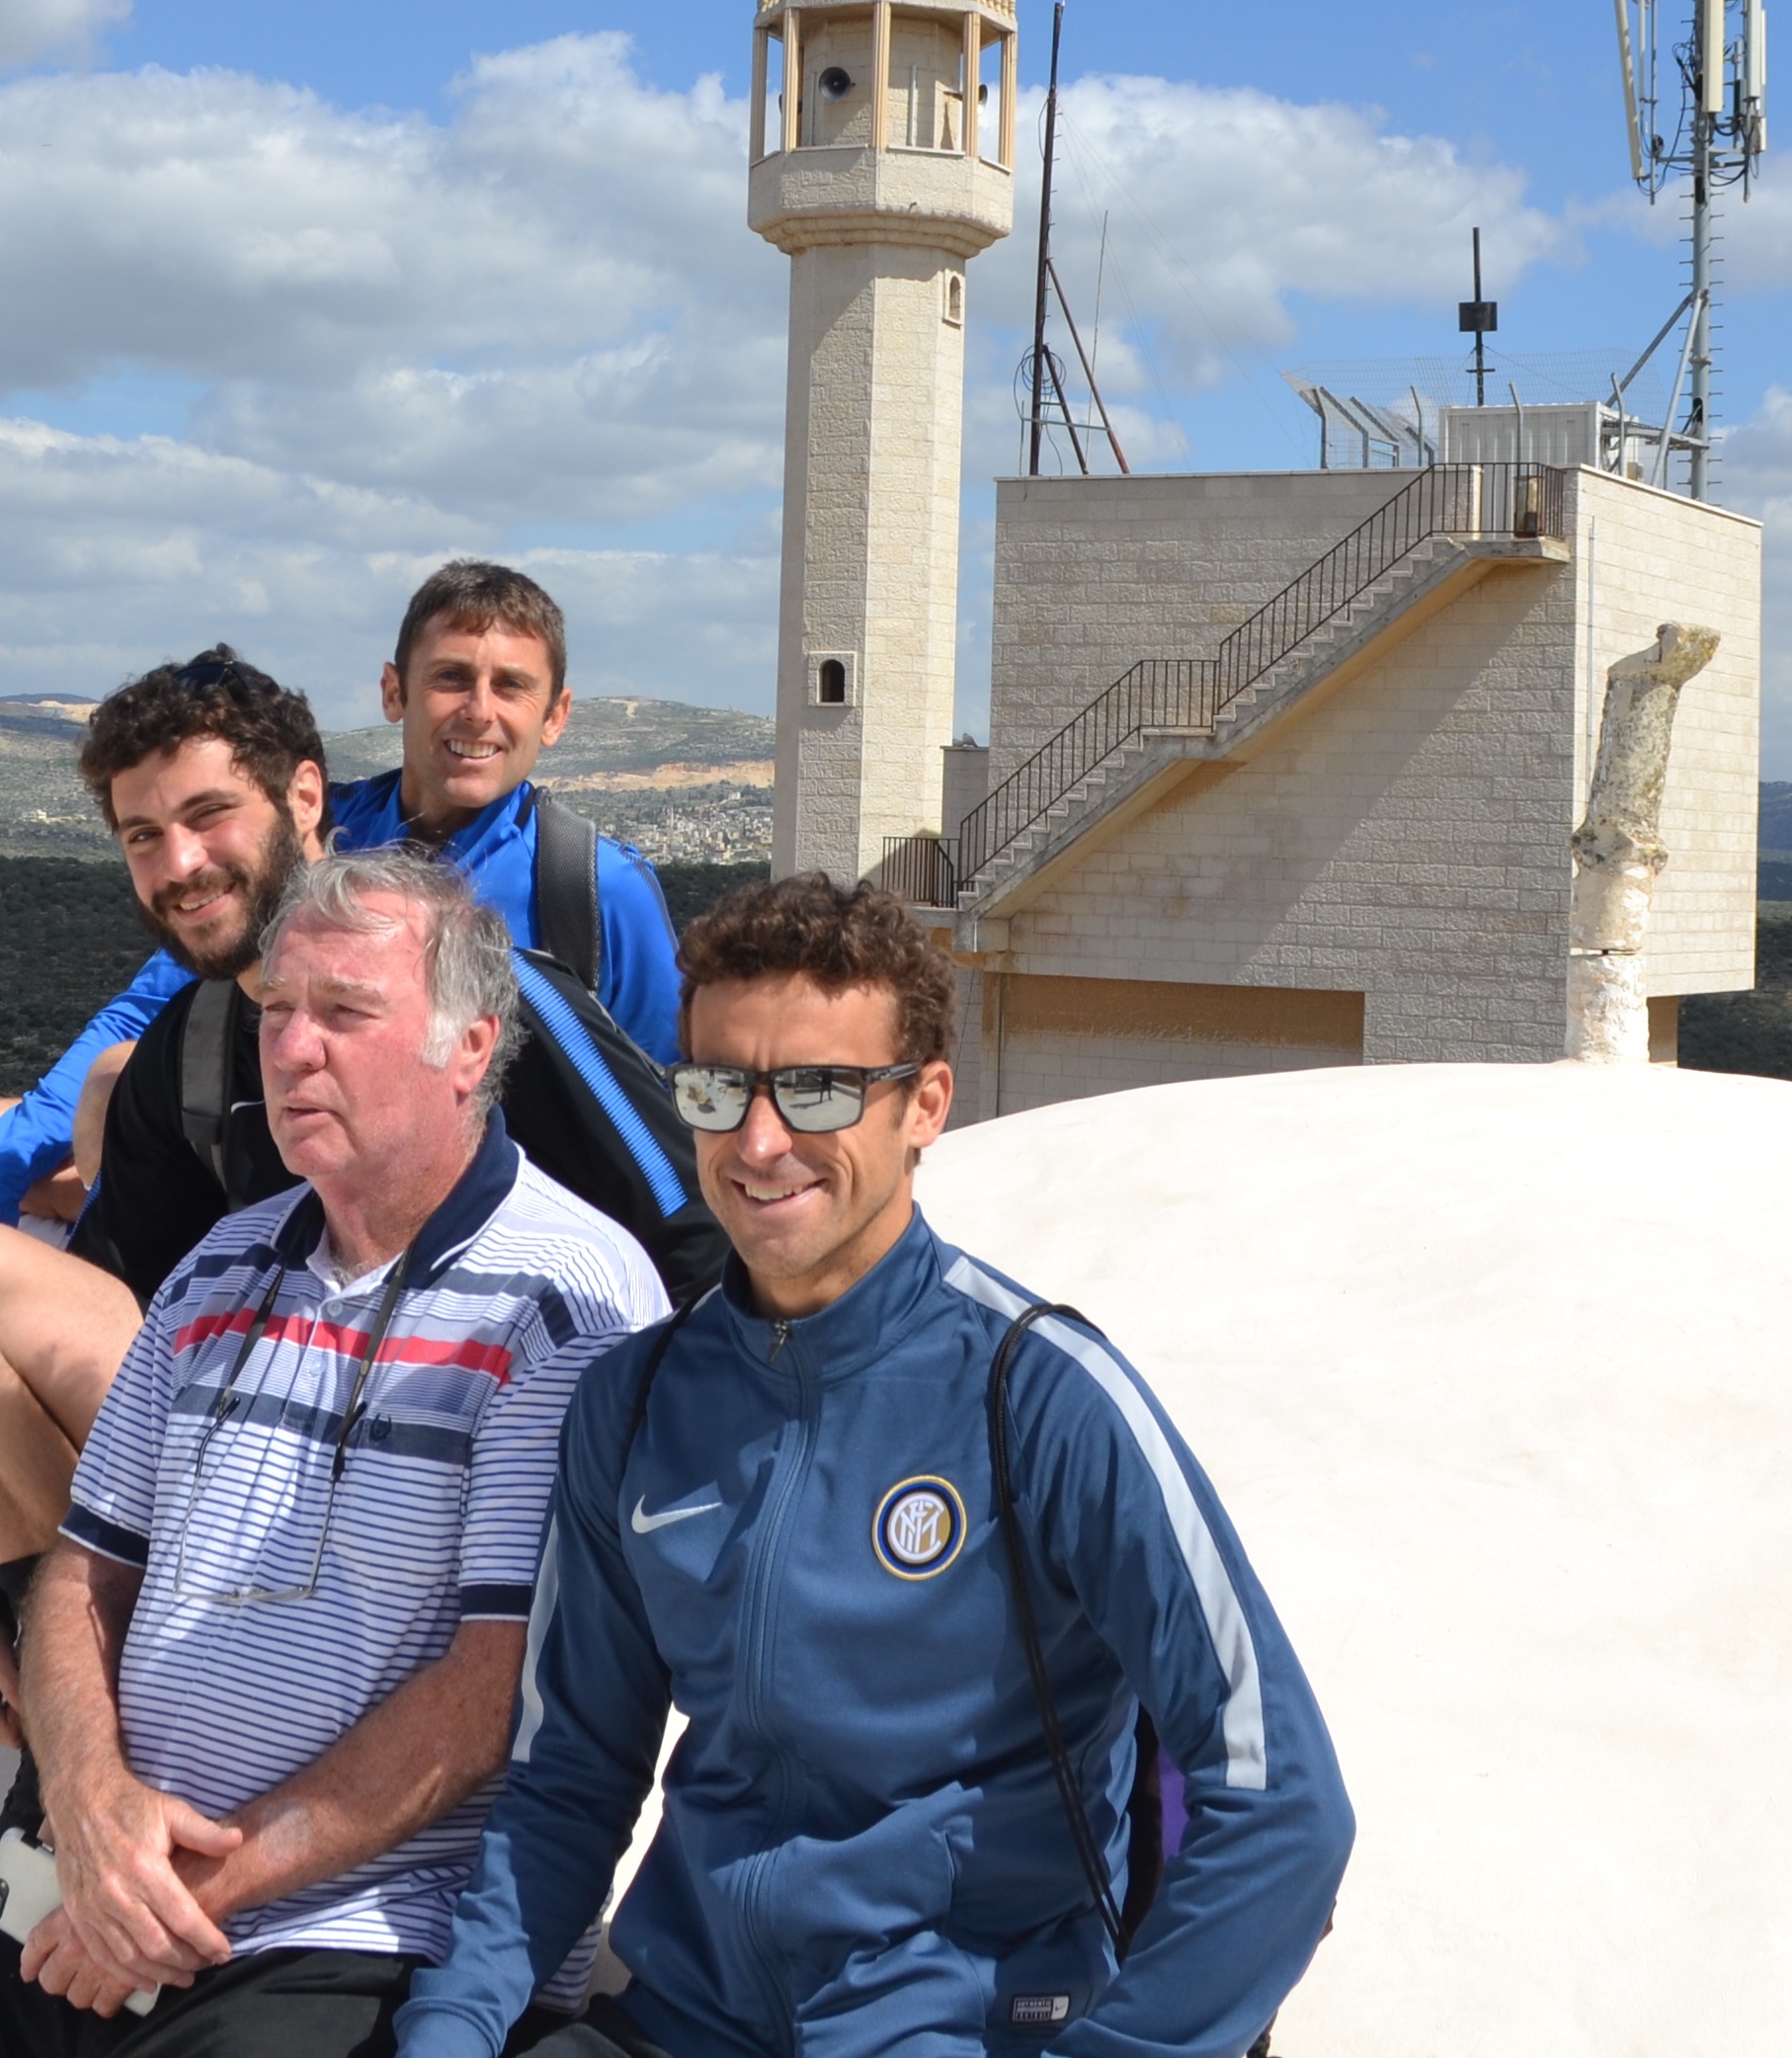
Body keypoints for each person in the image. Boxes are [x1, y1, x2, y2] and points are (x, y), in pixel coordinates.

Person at [394, 876, 1353, 2058]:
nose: (759, 1141)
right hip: (682, 2017)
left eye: (817, 1090)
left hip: (956, 2025)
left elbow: (1284, 1802)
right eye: (719, 1088)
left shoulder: (1038, 1396)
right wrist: (451, 2025)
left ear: (925, 1105)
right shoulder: (637, 1401)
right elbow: (572, 1779)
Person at [0, 850, 669, 2058]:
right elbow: (83, 1573)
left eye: (344, 1012)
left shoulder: (562, 1301)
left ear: (468, 1047)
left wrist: (178, 1896)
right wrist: (90, 1806)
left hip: (360, 1949)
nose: (291, 1050)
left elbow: (491, 1692)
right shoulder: (219, 1267)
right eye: (279, 1009)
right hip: (114, 1917)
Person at [0, 566, 684, 1243]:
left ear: (555, 715)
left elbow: (662, 1099)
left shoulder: (588, 888)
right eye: (451, 678)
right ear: (394, 692)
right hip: (286, 1164)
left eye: (511, 686)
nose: (478, 711)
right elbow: (147, 1007)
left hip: (494, 1217)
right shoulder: (316, 836)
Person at [0, 648, 333, 1706]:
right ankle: (72, 1690)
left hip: (418, 1463)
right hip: (245, 1443)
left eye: (210, 815)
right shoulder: (193, 1044)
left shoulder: (475, 1000)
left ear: (304, 797)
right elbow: (117, 1279)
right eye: (143, 836)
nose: (180, 864)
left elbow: (666, 1234)